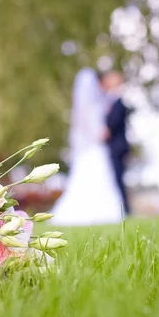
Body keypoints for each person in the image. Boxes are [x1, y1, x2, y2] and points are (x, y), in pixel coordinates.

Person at [49, 68, 125, 226]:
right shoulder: (94, 105)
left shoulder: (93, 104)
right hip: (94, 148)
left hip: (91, 149)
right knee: (95, 178)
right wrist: (102, 134)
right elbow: (94, 130)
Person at [100, 71, 132, 215]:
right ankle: (122, 210)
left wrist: (105, 131)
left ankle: (125, 210)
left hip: (118, 148)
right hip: (109, 148)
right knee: (114, 180)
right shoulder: (108, 101)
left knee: (119, 180)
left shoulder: (119, 102)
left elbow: (113, 123)